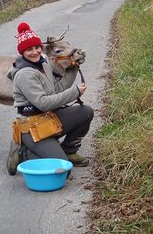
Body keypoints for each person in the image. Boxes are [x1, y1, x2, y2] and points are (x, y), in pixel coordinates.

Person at [6, 22, 94, 175]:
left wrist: (73, 67)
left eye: (37, 47)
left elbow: (57, 89)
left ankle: (69, 151)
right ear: (22, 52)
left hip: (50, 119)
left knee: (85, 112)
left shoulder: (43, 64)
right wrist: (75, 93)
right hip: (32, 127)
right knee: (62, 171)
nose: (34, 52)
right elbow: (43, 103)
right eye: (29, 49)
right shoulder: (24, 74)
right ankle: (23, 152)